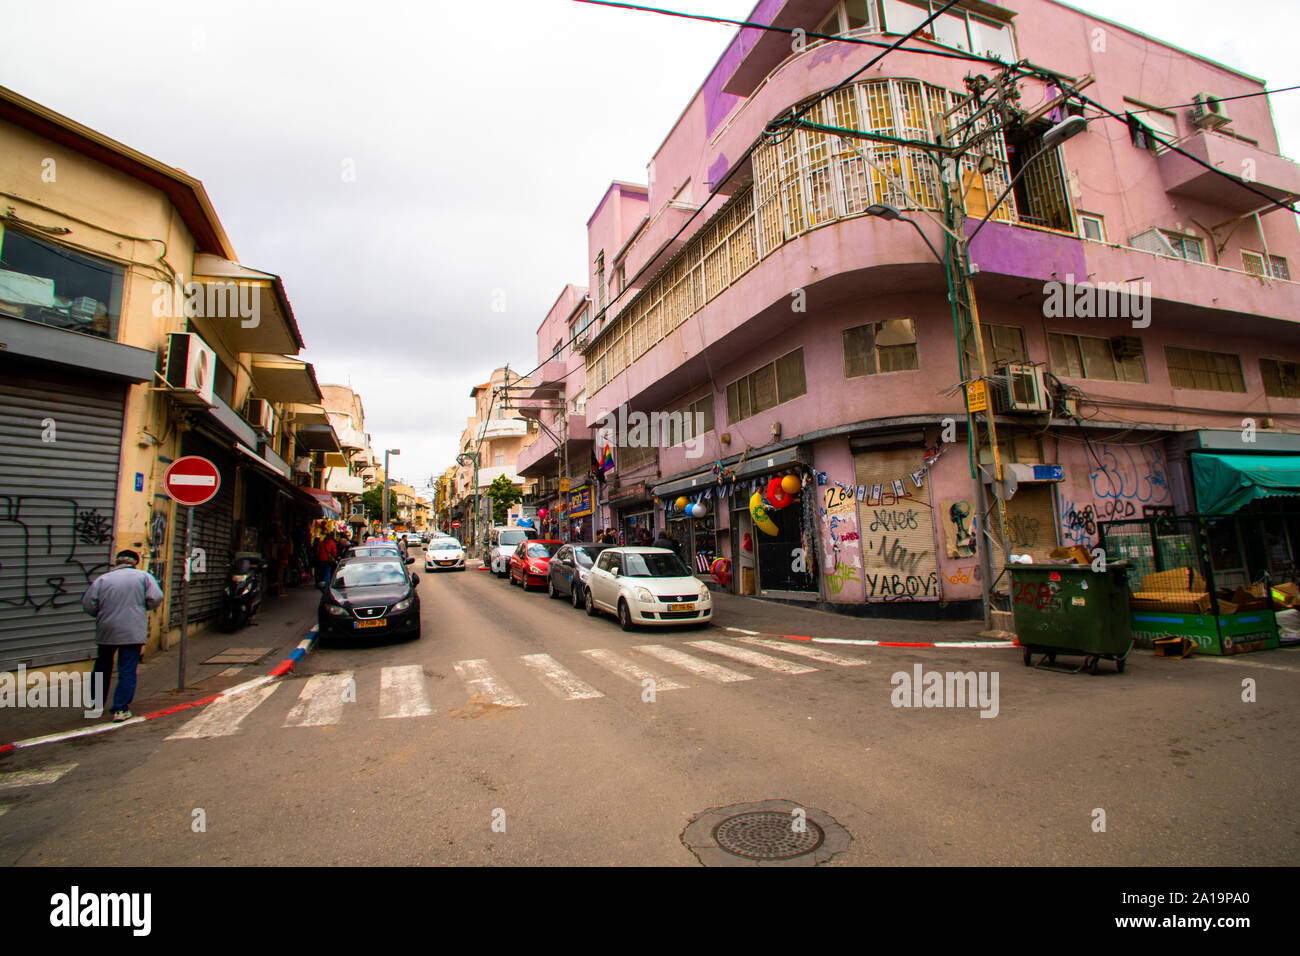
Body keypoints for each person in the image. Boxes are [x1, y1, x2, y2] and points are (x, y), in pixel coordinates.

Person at [80, 550, 164, 721]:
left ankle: (95, 705)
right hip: (132, 630)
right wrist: (140, 608)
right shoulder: (143, 577)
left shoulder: (103, 579)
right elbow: (156, 597)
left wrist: (104, 614)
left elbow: (89, 604)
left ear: (117, 562)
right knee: (127, 668)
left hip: (107, 629)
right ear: (135, 562)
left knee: (102, 666)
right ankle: (120, 708)